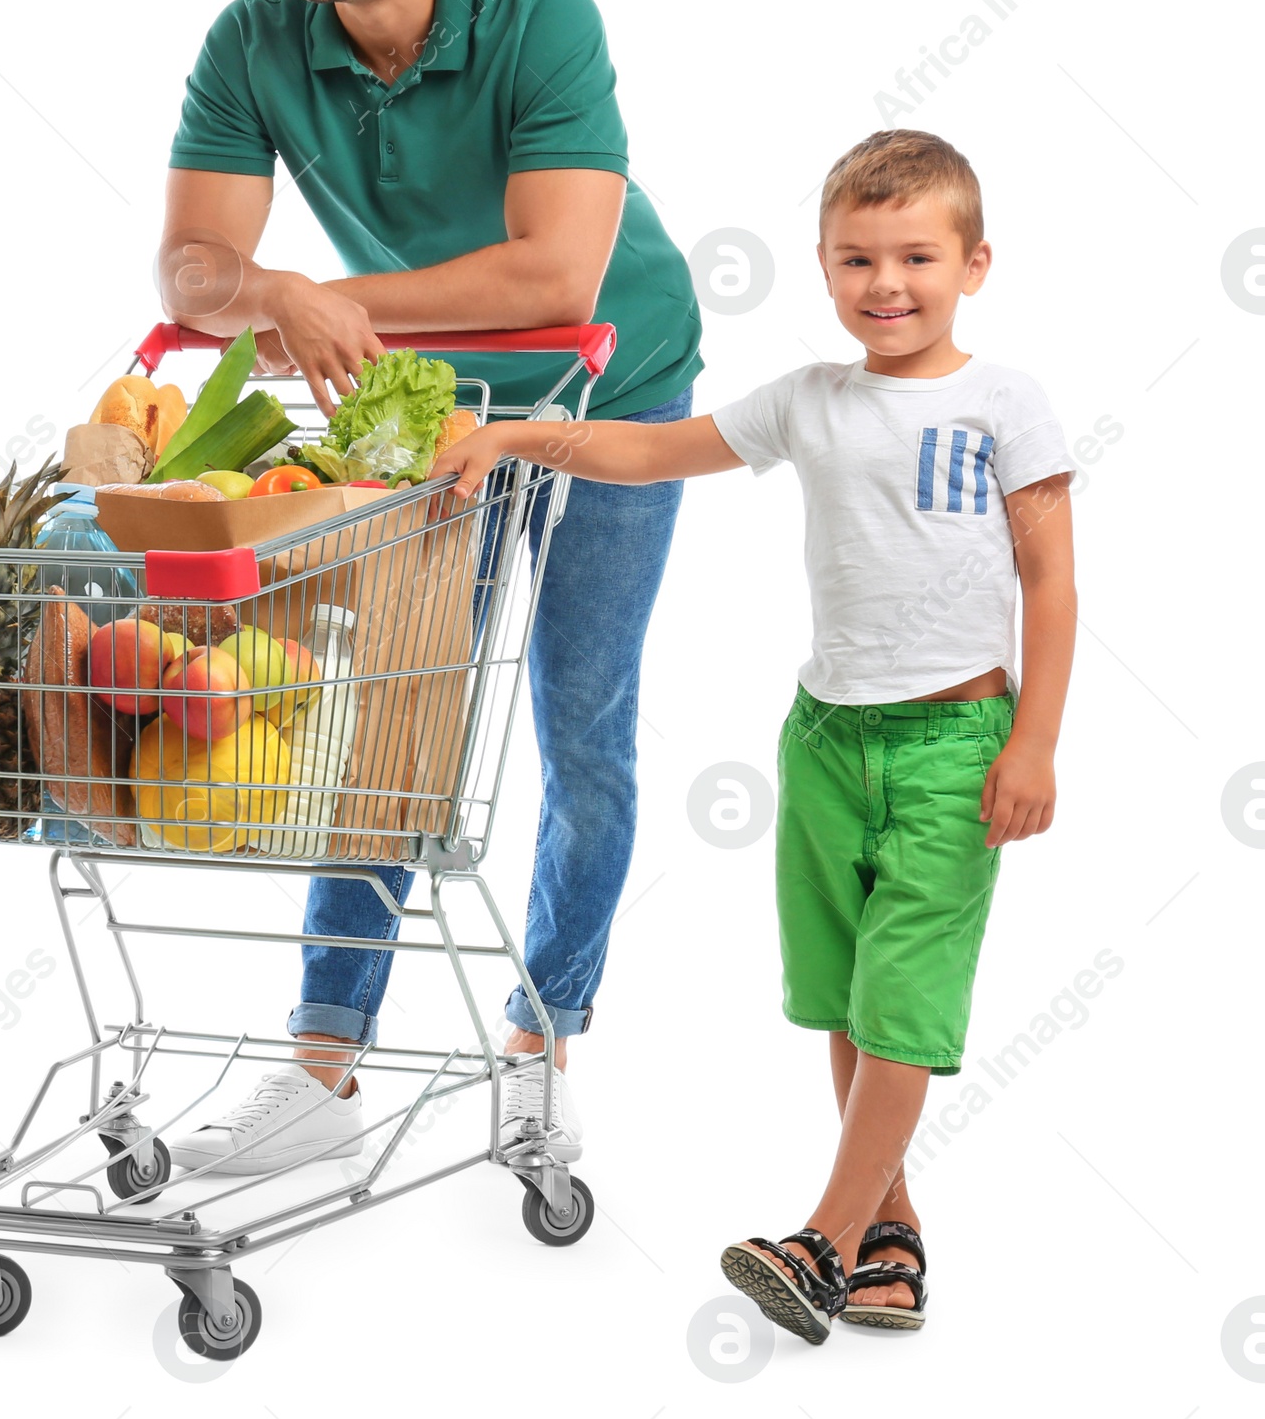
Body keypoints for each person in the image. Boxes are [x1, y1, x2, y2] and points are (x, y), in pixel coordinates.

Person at [154, 0, 703, 1173]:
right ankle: (321, 1068)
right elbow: (191, 268)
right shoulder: (255, 39)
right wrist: (272, 293)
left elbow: (554, 264)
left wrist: (325, 299)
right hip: (436, 415)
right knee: (395, 719)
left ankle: (540, 1038)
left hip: (609, 391)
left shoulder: (544, 24)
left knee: (581, 726)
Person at [433, 129, 1077, 1340]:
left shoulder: (1004, 404)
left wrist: (1031, 741)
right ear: (825, 268)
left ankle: (820, 1241)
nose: (886, 285)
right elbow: (648, 448)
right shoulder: (809, 402)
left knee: (903, 1006)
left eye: (916, 258)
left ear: (974, 264)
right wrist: (518, 435)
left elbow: (1051, 579)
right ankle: (890, 1235)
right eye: (855, 259)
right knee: (840, 998)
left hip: (953, 743)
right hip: (826, 739)